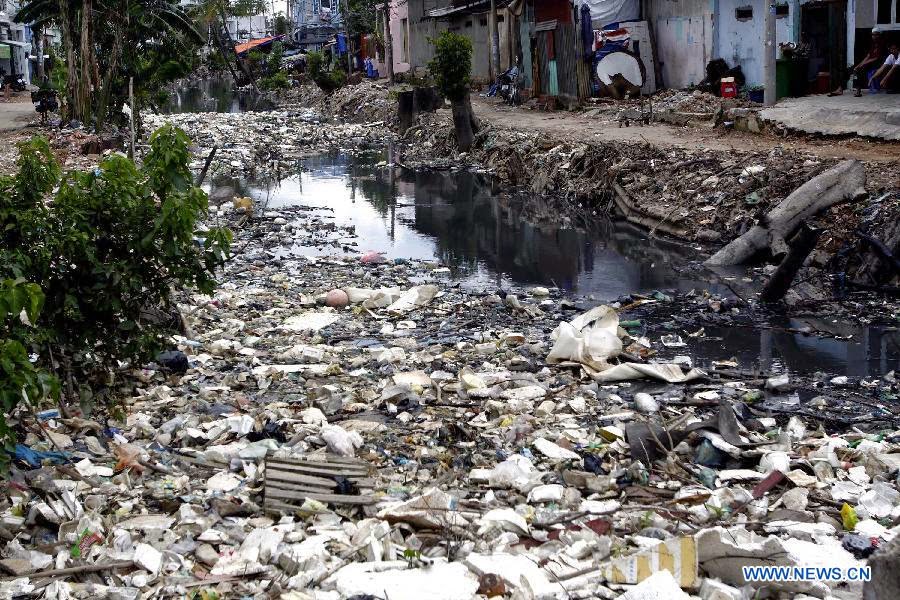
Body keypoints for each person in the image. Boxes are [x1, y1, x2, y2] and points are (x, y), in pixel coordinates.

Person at [833, 26, 885, 96]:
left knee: (859, 71)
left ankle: (858, 90)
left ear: (879, 35)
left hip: (877, 64)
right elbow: (868, 56)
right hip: (868, 63)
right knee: (849, 70)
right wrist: (858, 65)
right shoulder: (873, 45)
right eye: (873, 35)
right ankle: (840, 89)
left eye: (876, 34)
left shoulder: (882, 45)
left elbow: (876, 58)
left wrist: (862, 65)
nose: (874, 36)